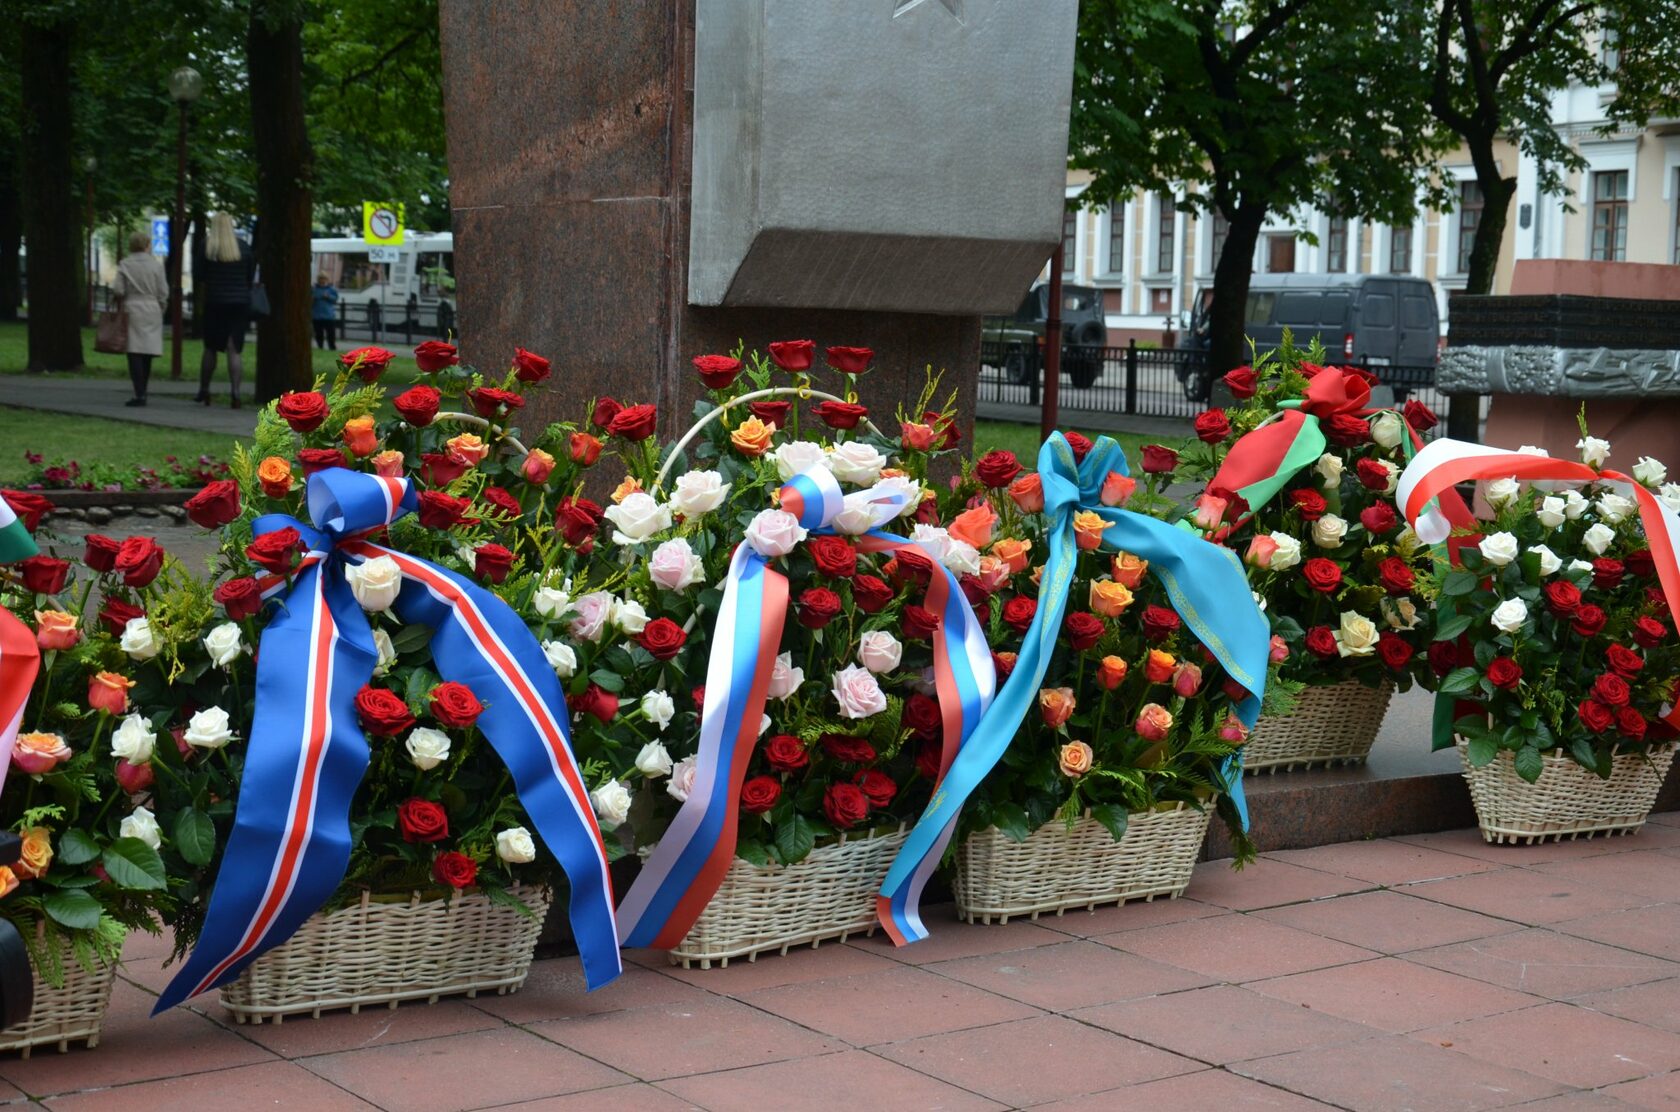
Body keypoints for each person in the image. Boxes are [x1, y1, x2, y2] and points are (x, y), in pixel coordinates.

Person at [198, 212, 253, 408]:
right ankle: (236, 392)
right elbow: (250, 276)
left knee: (211, 348)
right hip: (239, 304)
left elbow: (199, 276)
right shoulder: (244, 247)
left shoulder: (207, 246)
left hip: (214, 302)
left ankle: (204, 390)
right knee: (234, 349)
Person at [110, 230, 168, 407]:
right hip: (152, 308)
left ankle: (139, 392)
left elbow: (118, 290)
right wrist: (161, 308)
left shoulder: (125, 264)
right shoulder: (156, 266)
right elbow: (163, 292)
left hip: (132, 308)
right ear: (147, 245)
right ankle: (144, 389)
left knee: (134, 351)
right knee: (147, 352)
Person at [311, 272, 339, 350]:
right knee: (319, 334)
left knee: (331, 334)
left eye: (324, 278)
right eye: (320, 278)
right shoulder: (314, 289)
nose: (322, 280)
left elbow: (335, 300)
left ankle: (332, 347)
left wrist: (328, 297)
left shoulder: (331, 289)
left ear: (327, 279)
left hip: (329, 316)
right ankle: (320, 347)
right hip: (317, 316)